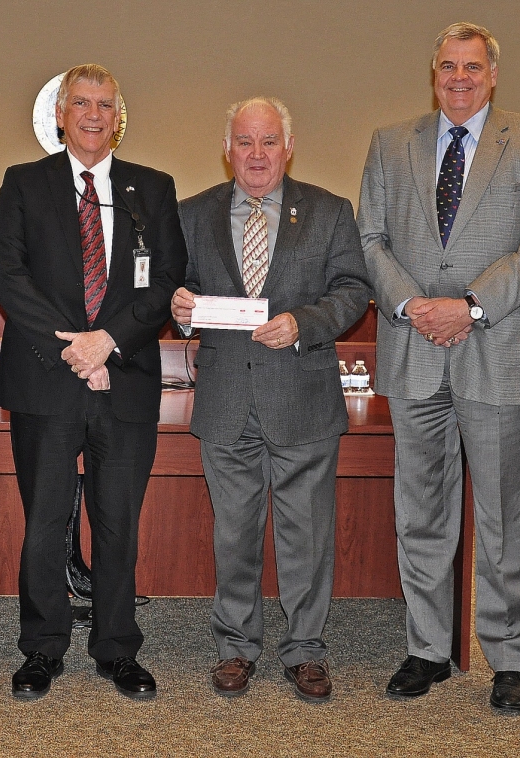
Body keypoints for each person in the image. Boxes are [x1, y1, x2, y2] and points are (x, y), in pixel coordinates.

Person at [356, 22, 520, 711]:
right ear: (434, 72)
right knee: (419, 510)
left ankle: (508, 655)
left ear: (493, 75)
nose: (459, 78)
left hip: (494, 350)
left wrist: (470, 307)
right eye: (448, 66)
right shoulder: (392, 143)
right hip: (415, 347)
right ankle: (427, 648)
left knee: (503, 512)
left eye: (472, 67)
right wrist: (416, 304)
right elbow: (372, 238)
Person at [0, 63, 186, 700]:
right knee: (45, 522)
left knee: (118, 523)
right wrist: (77, 347)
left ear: (118, 115)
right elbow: (11, 279)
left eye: (105, 104)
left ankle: (116, 648)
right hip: (48, 380)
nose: (94, 114)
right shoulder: (23, 183)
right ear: (61, 113)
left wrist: (110, 341)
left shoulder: (151, 188)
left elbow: (164, 282)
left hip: (125, 378)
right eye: (82, 103)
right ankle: (42, 648)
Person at [171, 97, 371, 702]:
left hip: (302, 397)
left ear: (288, 147)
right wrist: (179, 308)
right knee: (233, 533)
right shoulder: (191, 214)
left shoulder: (329, 212)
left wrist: (304, 322)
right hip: (227, 398)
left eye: (267, 142)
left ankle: (306, 650)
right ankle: (235, 646)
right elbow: (175, 287)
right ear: (226, 149)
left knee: (305, 535)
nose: (255, 155)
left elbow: (353, 290)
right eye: (243, 142)